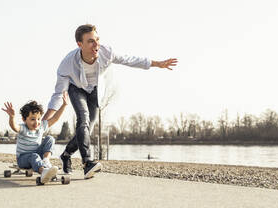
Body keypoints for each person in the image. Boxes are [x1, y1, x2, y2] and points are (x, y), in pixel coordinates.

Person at [43, 24, 178, 179]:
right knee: (83, 119)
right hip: (76, 88)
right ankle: (87, 163)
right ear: (80, 44)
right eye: (91, 41)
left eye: (97, 40)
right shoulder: (67, 63)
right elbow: (58, 94)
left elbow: (129, 59)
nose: (96, 45)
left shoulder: (106, 53)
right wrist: (46, 120)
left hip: (95, 90)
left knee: (87, 126)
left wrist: (156, 63)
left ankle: (66, 155)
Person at [2, 92, 68, 184]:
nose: (36, 122)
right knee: (34, 156)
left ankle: (46, 160)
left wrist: (64, 105)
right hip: (23, 159)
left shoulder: (40, 127)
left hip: (37, 154)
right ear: (24, 120)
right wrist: (12, 117)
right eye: (32, 119)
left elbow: (55, 118)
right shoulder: (23, 128)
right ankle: (43, 172)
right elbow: (14, 127)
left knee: (50, 138)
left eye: (38, 119)